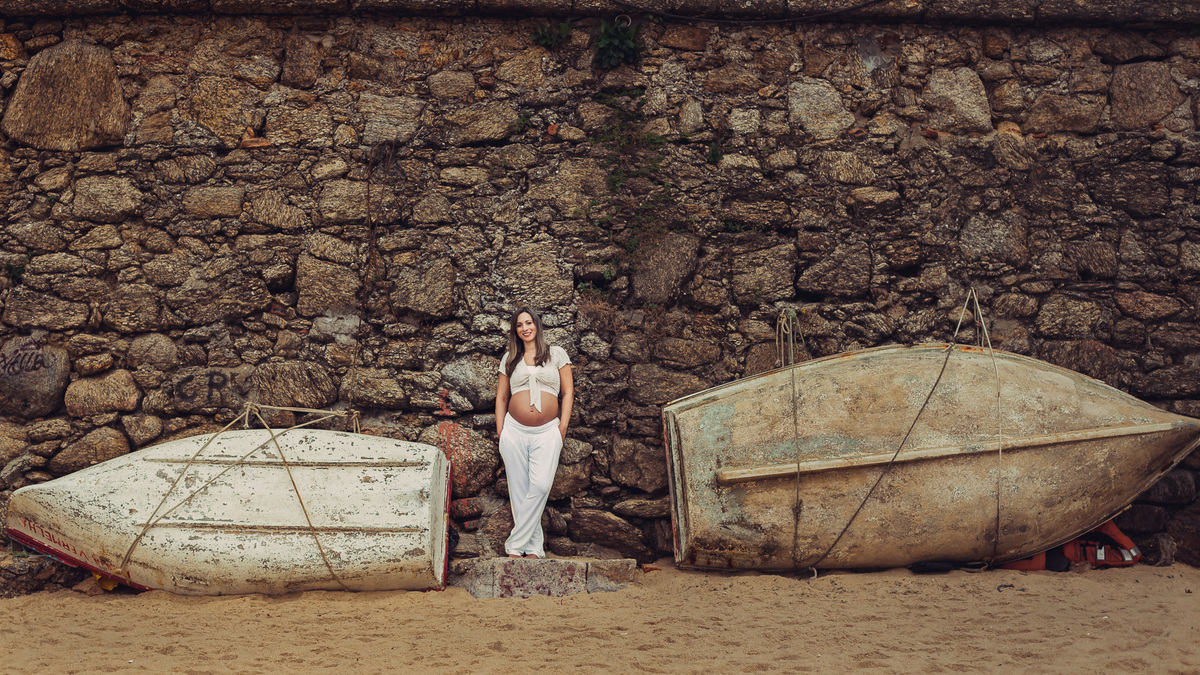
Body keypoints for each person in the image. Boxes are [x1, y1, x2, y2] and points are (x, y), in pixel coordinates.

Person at [494, 306, 574, 559]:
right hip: (514, 431)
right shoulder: (509, 358)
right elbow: (502, 397)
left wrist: (562, 427)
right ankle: (533, 548)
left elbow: (568, 392)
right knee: (519, 490)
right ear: (515, 331)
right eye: (519, 325)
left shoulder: (557, 354)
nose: (525, 328)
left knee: (539, 486)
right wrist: (501, 430)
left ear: (537, 325)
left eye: (528, 323)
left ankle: (515, 543)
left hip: (548, 430)